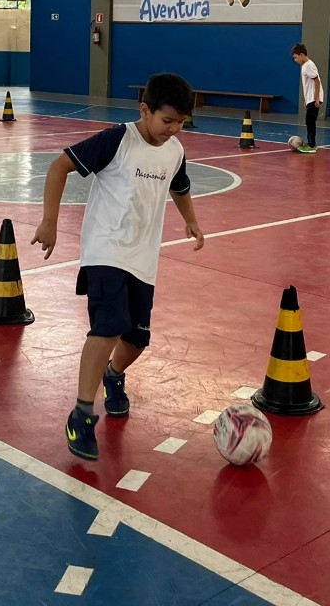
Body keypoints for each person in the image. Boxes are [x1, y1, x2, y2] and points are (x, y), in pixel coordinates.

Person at [32, 72, 205, 462]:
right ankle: (81, 414)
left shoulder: (175, 150)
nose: (174, 129)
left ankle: (113, 374)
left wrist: (191, 220)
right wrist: (49, 221)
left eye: (181, 122)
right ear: (144, 110)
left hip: (143, 257)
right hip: (105, 249)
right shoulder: (117, 141)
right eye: (167, 120)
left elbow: (179, 186)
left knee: (137, 339)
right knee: (108, 325)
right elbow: (59, 166)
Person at [291, 43, 324, 153]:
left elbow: (317, 81)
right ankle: (311, 143)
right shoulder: (305, 66)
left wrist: (317, 98)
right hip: (311, 98)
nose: (295, 60)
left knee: (310, 121)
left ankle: (311, 145)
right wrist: (307, 100)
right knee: (309, 121)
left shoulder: (309, 65)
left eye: (296, 57)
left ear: (302, 55)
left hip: (314, 98)